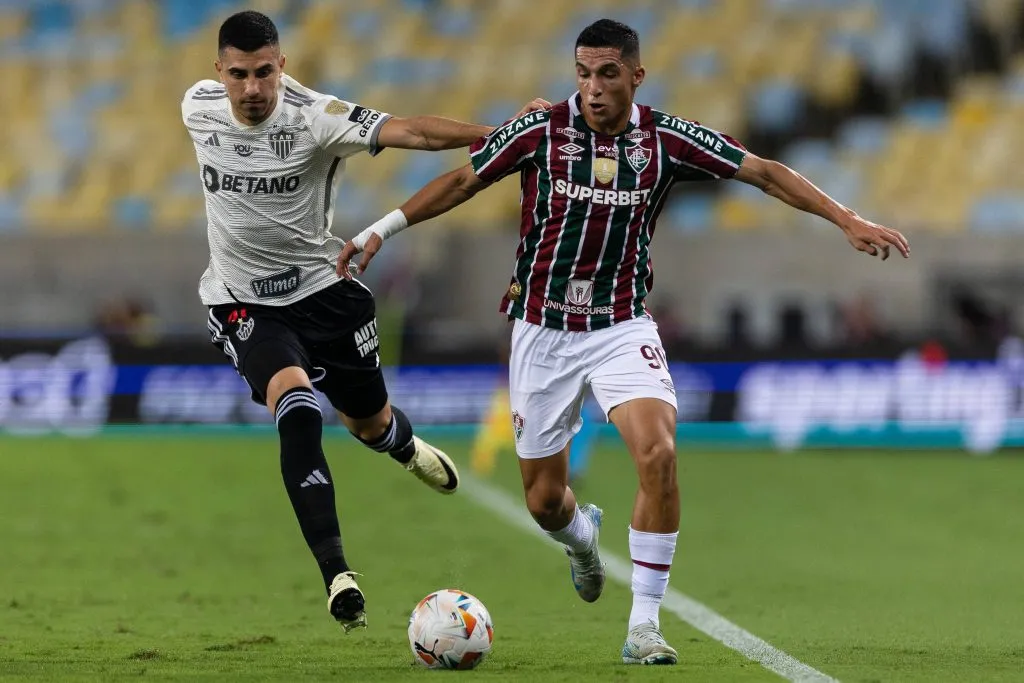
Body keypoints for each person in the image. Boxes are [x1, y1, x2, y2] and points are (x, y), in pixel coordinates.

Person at [339, 18, 910, 664]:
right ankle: (582, 540)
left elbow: (764, 172)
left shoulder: (665, 139)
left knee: (659, 452)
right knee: (544, 501)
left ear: (636, 76)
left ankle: (644, 626)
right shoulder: (541, 130)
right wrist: (382, 228)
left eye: (607, 74)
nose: (593, 87)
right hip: (541, 329)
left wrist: (846, 218)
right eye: (583, 73)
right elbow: (462, 180)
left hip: (621, 325)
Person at [181, 11, 547, 634]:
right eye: (238, 75)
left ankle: (400, 444)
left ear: (282, 66)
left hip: (324, 292)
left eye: (264, 72)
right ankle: (338, 575)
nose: (252, 89)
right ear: (218, 72)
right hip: (241, 301)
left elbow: (412, 132)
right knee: (295, 403)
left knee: (369, 423)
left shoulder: (316, 117)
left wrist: (503, 134)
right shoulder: (197, 106)